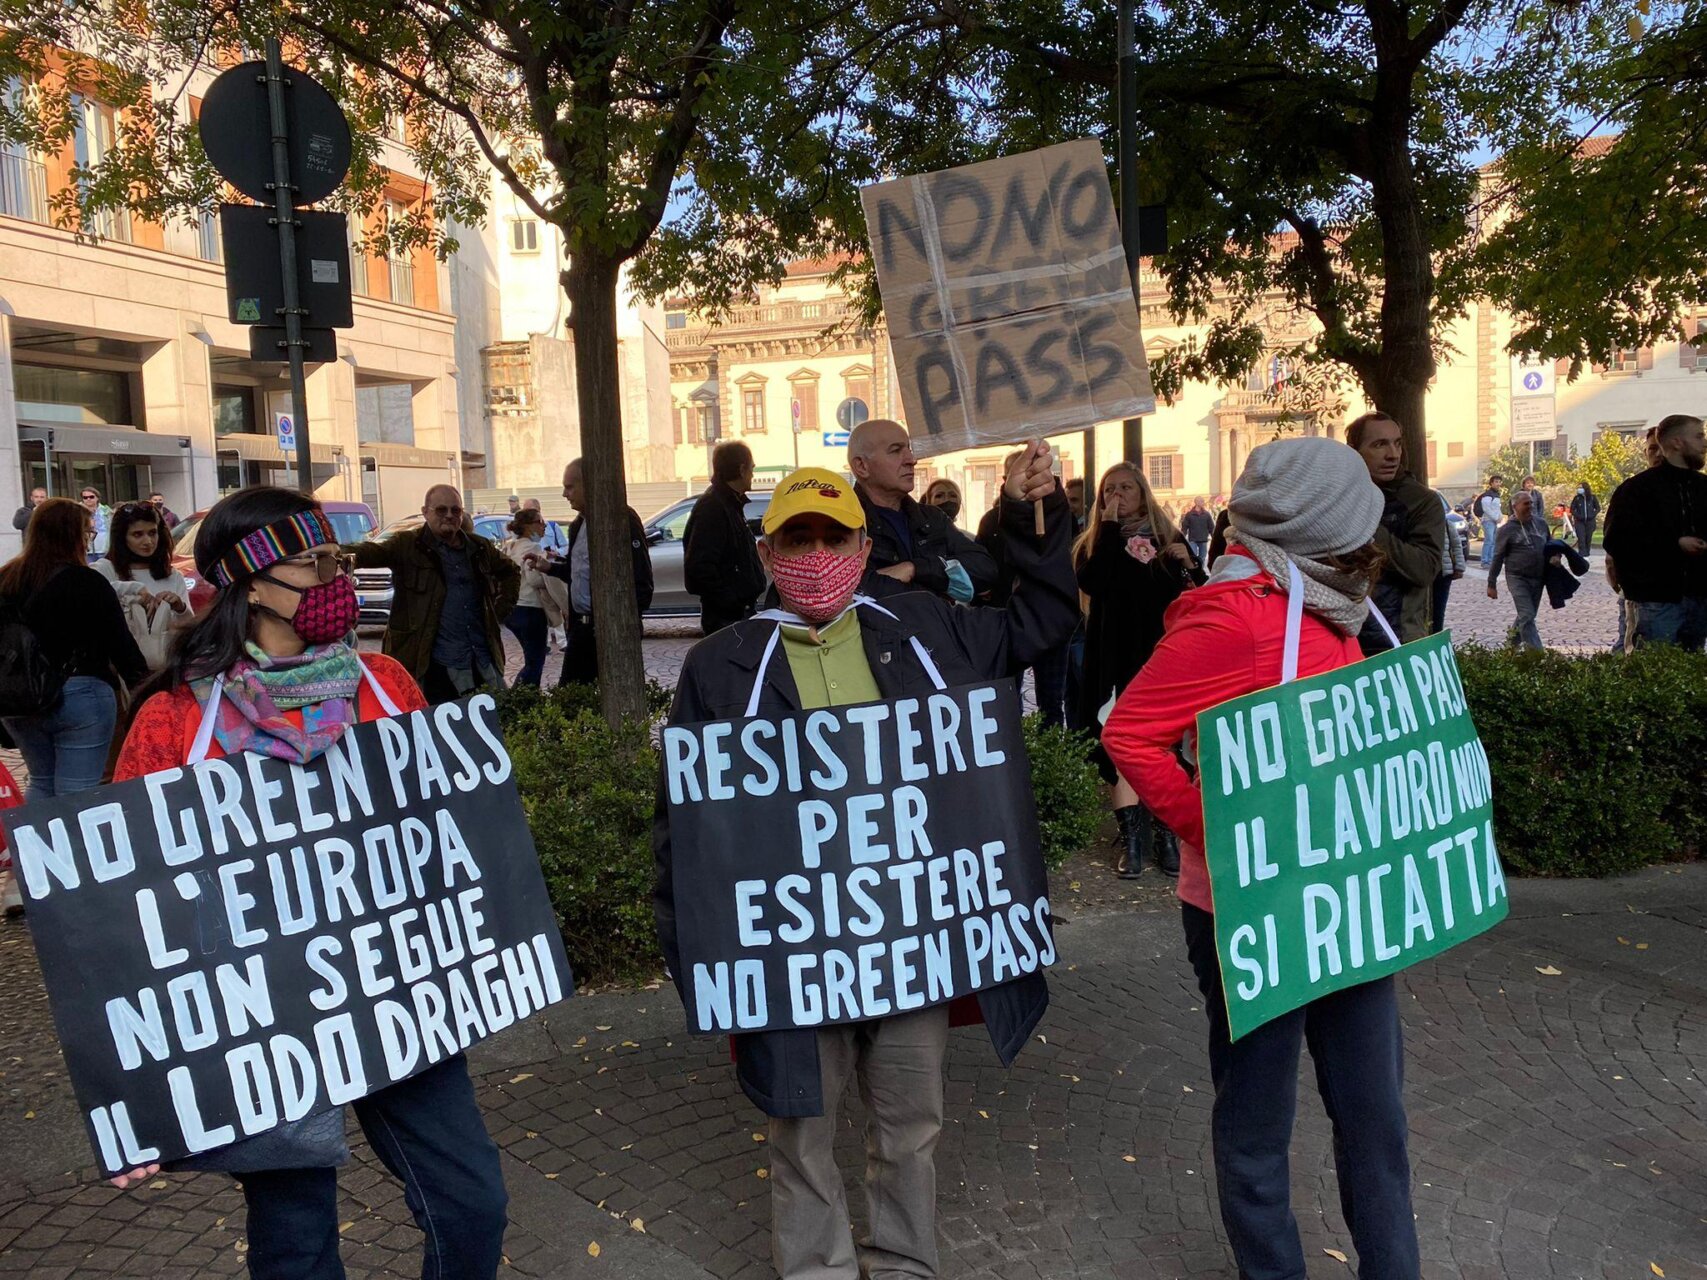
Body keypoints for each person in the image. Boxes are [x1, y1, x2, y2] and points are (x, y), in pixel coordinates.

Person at [654, 445, 1074, 1280]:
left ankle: (904, 1263)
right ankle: (818, 1269)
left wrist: (1040, 516)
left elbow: (1040, 623)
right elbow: (687, 824)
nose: (814, 557)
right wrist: (693, 952)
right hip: (793, 947)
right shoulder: (719, 666)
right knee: (800, 1130)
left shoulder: (923, 628)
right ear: (768, 555)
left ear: (860, 547)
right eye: (794, 540)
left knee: (909, 1120)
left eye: (831, 537)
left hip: (909, 934)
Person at [106, 485, 510, 1278]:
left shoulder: (389, 684)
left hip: (399, 992)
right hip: (265, 1020)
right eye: (314, 563)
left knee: (472, 1205)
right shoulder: (173, 720)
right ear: (251, 581)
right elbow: (130, 900)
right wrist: (137, 1095)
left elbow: (446, 829)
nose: (336, 580)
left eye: (338, 561)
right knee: (295, 1241)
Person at [1102, 436, 1419, 1280]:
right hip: (1251, 910)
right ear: (1327, 529)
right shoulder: (1234, 615)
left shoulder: (1330, 600)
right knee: (1256, 1120)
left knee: (1373, 1116)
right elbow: (1130, 733)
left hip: (1349, 897)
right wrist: (1214, 827)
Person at [1075, 462, 1201, 878]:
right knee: (1119, 742)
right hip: (1112, 657)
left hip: (1161, 656)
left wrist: (1191, 562)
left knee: (1163, 744)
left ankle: (1166, 834)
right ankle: (1130, 838)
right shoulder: (1095, 542)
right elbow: (1094, 582)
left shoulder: (1167, 537)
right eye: (1109, 489)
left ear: (1143, 491)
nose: (1118, 495)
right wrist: (1109, 528)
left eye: (1126, 487)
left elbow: (1196, 593)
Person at [0, 498, 146, 799]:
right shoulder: (87, 581)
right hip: (82, 694)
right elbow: (120, 644)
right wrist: (146, 690)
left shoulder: (7, 579)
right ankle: (76, 848)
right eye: (86, 532)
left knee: (40, 781)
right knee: (78, 793)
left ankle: (34, 845)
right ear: (72, 535)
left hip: (20, 698)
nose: (87, 539)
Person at [347, 483, 520, 703]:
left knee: (495, 721)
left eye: (455, 510)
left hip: (481, 659)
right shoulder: (407, 545)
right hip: (430, 664)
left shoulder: (479, 548)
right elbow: (369, 552)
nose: (449, 516)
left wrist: (499, 611)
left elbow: (511, 571)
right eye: (441, 510)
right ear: (425, 512)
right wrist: (331, 553)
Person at [847, 418, 996, 603]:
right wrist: (944, 579)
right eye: (895, 451)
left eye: (909, 449)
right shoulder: (844, 524)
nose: (912, 460)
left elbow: (985, 569)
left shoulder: (932, 518)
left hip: (942, 629)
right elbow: (850, 592)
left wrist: (914, 568)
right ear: (862, 466)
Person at [533, 458, 653, 685]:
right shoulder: (579, 524)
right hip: (582, 628)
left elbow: (642, 579)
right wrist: (549, 568)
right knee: (572, 697)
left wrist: (624, 623)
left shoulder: (622, 518)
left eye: (570, 487)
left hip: (611, 629)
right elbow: (577, 572)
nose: (564, 494)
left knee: (615, 692)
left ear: (589, 484)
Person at [977, 451, 1069, 724]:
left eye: (1035, 472)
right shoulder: (992, 520)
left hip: (1050, 621)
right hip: (1007, 618)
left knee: (1051, 699)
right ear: (1005, 480)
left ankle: (1051, 759)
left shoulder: (1056, 514)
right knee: (1007, 696)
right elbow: (985, 563)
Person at [1602, 413, 1707, 650]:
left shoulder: (1703, 487)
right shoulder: (1636, 490)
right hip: (1655, 602)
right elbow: (1619, 540)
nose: (1705, 443)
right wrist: (1675, 545)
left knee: (1691, 671)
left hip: (1698, 599)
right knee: (1652, 671)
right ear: (1677, 442)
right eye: (1699, 436)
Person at [1346, 412, 1445, 654]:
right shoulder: (1342, 497)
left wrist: (1368, 528)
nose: (1393, 454)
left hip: (1398, 641)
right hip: (1345, 638)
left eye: (1397, 443)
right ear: (1354, 451)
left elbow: (1424, 569)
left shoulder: (1422, 501)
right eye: (1379, 444)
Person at [683, 440, 765, 634]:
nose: (753, 474)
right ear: (742, 469)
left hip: (737, 612)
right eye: (752, 468)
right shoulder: (713, 507)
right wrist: (730, 599)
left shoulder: (730, 504)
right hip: (726, 617)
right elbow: (700, 567)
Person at [96, 501, 190, 670]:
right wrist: (133, 590)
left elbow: (190, 629)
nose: (148, 541)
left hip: (164, 670)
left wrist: (179, 606)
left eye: (152, 533)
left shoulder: (172, 575)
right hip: (120, 672)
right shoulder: (105, 568)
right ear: (122, 537)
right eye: (137, 534)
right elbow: (92, 599)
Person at [1487, 490, 1552, 650]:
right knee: (1527, 615)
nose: (1530, 506)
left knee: (1527, 615)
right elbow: (1498, 557)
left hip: (1538, 578)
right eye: (1526, 503)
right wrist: (1491, 583)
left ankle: (1510, 647)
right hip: (1517, 578)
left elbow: (1551, 544)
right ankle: (1537, 656)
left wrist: (1555, 556)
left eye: (1531, 503)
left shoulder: (1541, 523)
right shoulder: (1507, 530)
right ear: (1515, 506)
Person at [501, 508, 552, 687]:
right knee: (535, 661)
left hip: (513, 610)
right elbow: (536, 580)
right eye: (540, 522)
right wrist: (549, 567)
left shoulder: (509, 546)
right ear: (529, 526)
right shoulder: (533, 548)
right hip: (531, 609)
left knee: (531, 658)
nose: (544, 525)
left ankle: (524, 697)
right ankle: (522, 699)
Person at [1431, 490, 1467, 635]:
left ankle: (1436, 633)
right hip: (1427, 573)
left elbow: (1456, 546)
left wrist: (1459, 567)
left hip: (1443, 573)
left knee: (1439, 608)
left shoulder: (1447, 524)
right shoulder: (1420, 524)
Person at [1475, 474, 1504, 567]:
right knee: (1489, 540)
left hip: (1494, 521)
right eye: (1496, 482)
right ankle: (1485, 561)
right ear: (1491, 483)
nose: (1498, 484)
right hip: (1488, 521)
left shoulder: (1496, 495)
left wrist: (1500, 517)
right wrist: (1496, 517)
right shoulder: (1487, 495)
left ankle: (1491, 560)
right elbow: (1486, 508)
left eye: (1499, 482)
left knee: (1493, 541)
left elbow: (1497, 508)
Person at [1568, 482, 1600, 563]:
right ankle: (1582, 555)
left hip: (1590, 522)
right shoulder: (1577, 498)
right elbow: (1572, 509)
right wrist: (1577, 515)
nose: (1579, 489)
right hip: (1579, 522)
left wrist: (1592, 514)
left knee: (1588, 538)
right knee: (1581, 538)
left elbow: (1598, 508)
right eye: (1578, 487)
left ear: (1585, 488)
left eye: (1581, 487)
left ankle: (1587, 554)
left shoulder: (1592, 498)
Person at [79, 486, 112, 559]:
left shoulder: (106, 510)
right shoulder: (77, 511)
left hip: (104, 549)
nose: (88, 499)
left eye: (91, 497)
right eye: (85, 497)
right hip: (86, 550)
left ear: (97, 498)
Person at [1180, 496, 1214, 567]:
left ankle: (1201, 571)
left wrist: (1213, 536)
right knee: (1193, 557)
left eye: (1203, 501)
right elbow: (1184, 527)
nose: (1203, 502)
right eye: (1201, 501)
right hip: (1193, 539)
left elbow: (1211, 527)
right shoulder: (1189, 514)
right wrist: (1182, 537)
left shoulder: (1207, 514)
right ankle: (1195, 571)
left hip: (1203, 539)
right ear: (1196, 502)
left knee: (1202, 558)